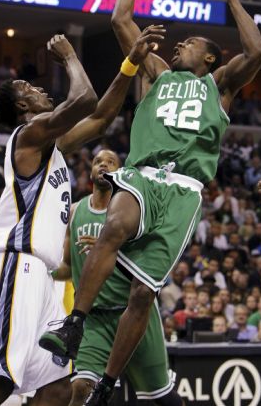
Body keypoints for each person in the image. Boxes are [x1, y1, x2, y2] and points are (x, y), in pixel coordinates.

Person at [40, 0, 261, 405]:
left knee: (144, 295)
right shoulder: (157, 72)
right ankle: (74, 323)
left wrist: (234, 1)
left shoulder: (219, 86)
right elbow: (121, 18)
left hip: (184, 190)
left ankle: (107, 383)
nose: (180, 44)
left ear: (209, 58)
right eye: (179, 43)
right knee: (116, 226)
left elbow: (257, 52)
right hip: (143, 173)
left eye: (191, 44)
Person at [0, 27, 161, 406]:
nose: (40, 89)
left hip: (42, 277)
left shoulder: (50, 145)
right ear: (22, 107)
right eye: (29, 88)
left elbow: (103, 116)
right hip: (15, 264)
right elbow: (85, 98)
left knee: (56, 388)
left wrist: (130, 64)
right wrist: (71, 56)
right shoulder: (29, 135)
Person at [53, 149, 181, 406]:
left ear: (120, 172)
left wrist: (106, 249)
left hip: (132, 312)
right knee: (81, 388)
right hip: (95, 317)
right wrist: (41, 271)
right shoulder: (76, 211)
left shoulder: (132, 211)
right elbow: (67, 267)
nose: (104, 165)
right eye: (98, 161)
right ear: (90, 171)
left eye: (111, 162)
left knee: (163, 398)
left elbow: (149, 260)